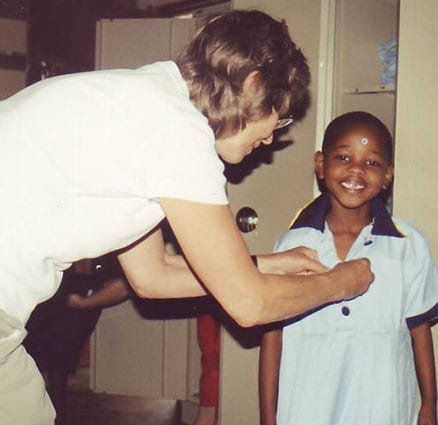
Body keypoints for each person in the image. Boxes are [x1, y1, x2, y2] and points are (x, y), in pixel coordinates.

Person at [0, 10, 374, 425]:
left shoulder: (152, 104)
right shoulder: (179, 134)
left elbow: (153, 276)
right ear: (253, 82)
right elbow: (249, 304)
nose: (271, 136)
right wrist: (341, 283)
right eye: (278, 115)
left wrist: (269, 264)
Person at [259, 111, 438, 425]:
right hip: (308, 403)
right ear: (321, 164)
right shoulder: (292, 246)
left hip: (381, 401)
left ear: (388, 174)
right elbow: (272, 338)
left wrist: (429, 405)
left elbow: (420, 329)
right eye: (343, 157)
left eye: (372, 163)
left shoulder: (407, 244)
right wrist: (268, 417)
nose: (356, 171)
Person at [24, 255, 129, 425]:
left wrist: (83, 303)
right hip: (47, 295)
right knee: (42, 364)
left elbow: (125, 285)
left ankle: (56, 417)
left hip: (68, 300)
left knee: (57, 364)